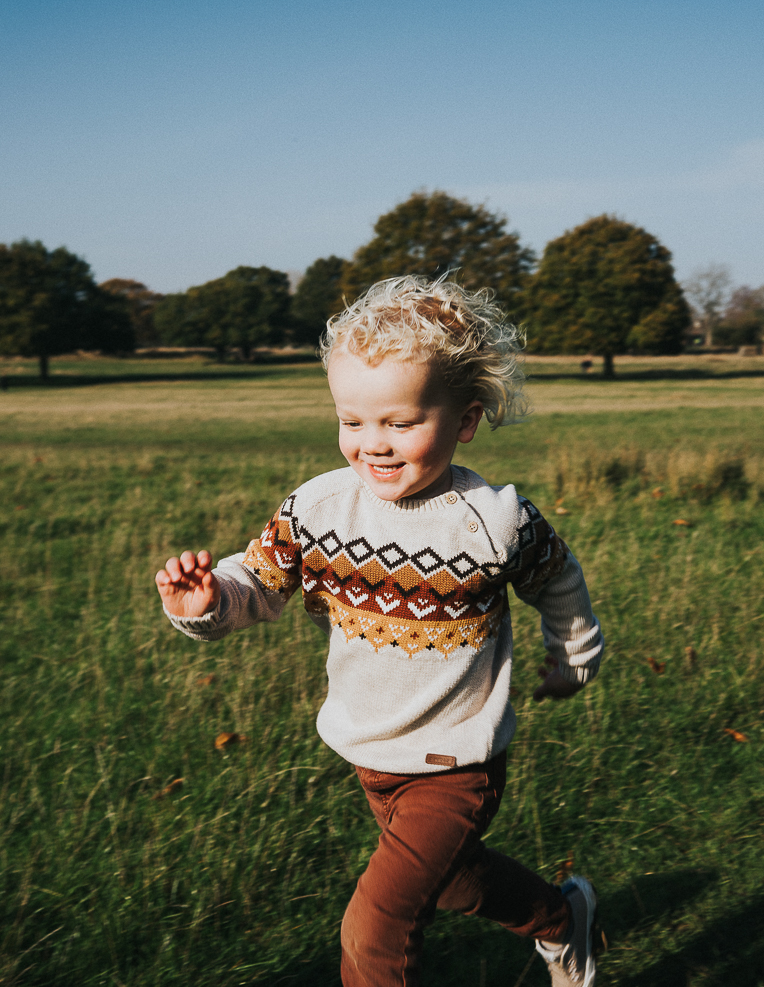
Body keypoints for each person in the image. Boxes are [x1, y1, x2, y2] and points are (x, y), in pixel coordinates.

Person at [156, 274, 605, 987]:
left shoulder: (495, 520)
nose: (375, 445)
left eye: (401, 422)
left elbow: (557, 578)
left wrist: (574, 656)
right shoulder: (319, 507)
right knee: (455, 885)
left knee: (377, 927)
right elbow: (258, 586)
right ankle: (560, 918)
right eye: (353, 421)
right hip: (372, 755)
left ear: (465, 419)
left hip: (457, 764)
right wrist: (204, 601)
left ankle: (551, 922)